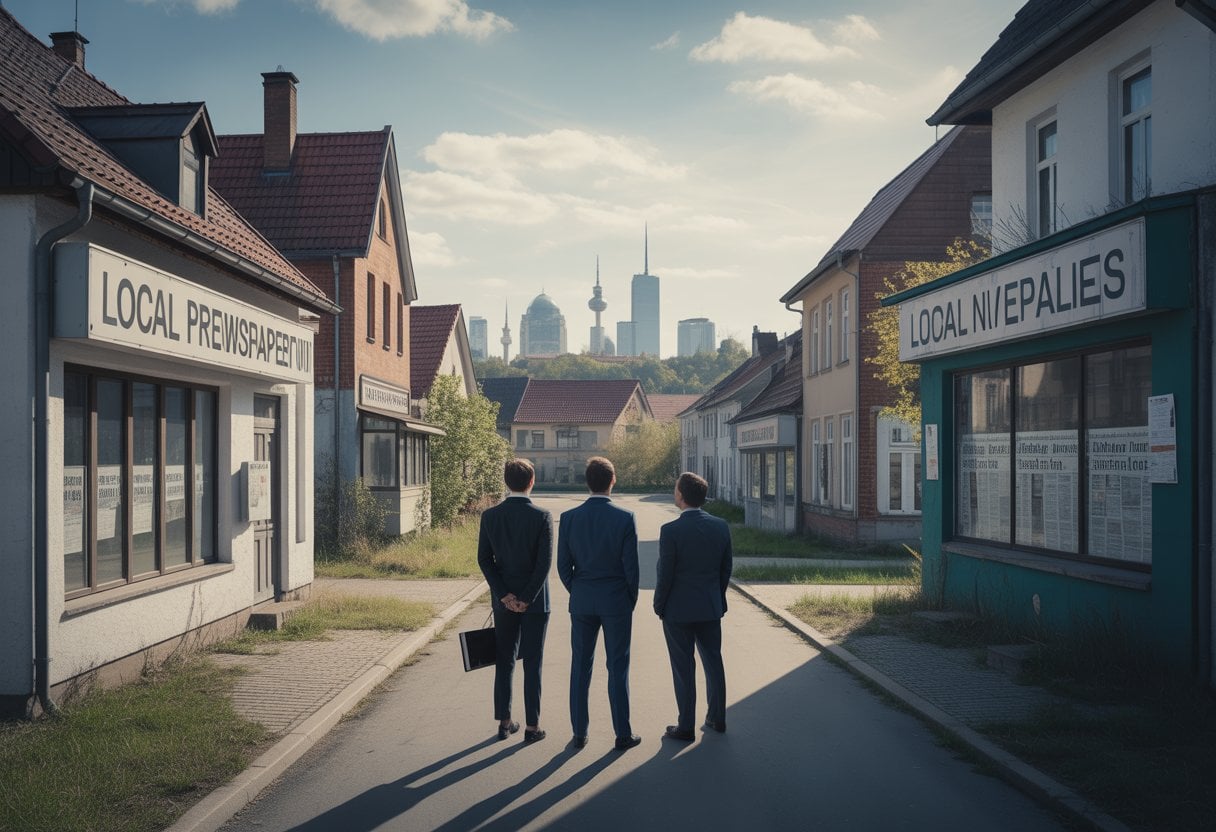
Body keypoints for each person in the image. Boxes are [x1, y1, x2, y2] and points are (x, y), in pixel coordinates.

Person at [557, 456, 641, 751]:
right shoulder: (625, 518)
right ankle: (622, 734)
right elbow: (632, 569)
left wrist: (577, 590)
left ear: (587, 482)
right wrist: (629, 598)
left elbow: (563, 567)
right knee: (617, 667)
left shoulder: (568, 518)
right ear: (613, 480)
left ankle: (579, 733)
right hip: (616, 600)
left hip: (582, 600)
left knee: (580, 666)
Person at [477, 458, 553, 744]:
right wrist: (526, 598)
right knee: (533, 662)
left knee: (504, 661)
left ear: (506, 482)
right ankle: (532, 727)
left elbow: (484, 559)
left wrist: (505, 595)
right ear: (532, 481)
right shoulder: (542, 516)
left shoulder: (490, 516)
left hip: (504, 602)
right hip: (535, 603)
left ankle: (505, 722)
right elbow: (544, 564)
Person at [654, 471, 733, 741]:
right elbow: (726, 570)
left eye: (676, 489)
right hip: (709, 606)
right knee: (714, 661)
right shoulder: (721, 526)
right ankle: (717, 718)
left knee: (683, 667)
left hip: (678, 610)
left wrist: (659, 604)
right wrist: (716, 596)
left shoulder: (670, 531)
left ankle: (686, 726)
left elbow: (666, 574)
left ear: (681, 495)